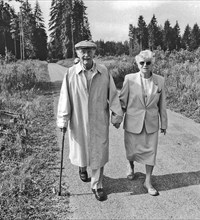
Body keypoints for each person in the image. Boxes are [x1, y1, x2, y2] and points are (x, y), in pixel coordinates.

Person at [57, 40, 123, 201]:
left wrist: (117, 115)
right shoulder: (70, 73)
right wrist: (63, 120)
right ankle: (82, 166)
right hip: (78, 119)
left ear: (94, 53)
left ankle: (97, 185)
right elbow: (64, 97)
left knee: (98, 151)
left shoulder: (103, 71)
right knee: (82, 149)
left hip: (99, 119)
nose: (86, 54)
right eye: (82, 51)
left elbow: (113, 94)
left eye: (89, 51)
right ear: (77, 53)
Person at [119, 50, 167, 196]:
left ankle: (148, 181)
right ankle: (130, 164)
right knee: (132, 150)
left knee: (151, 152)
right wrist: (117, 117)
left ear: (152, 64)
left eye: (148, 63)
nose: (145, 65)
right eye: (142, 63)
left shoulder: (160, 81)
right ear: (137, 64)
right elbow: (122, 101)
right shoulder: (129, 79)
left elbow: (162, 105)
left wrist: (164, 123)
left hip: (151, 122)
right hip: (133, 121)